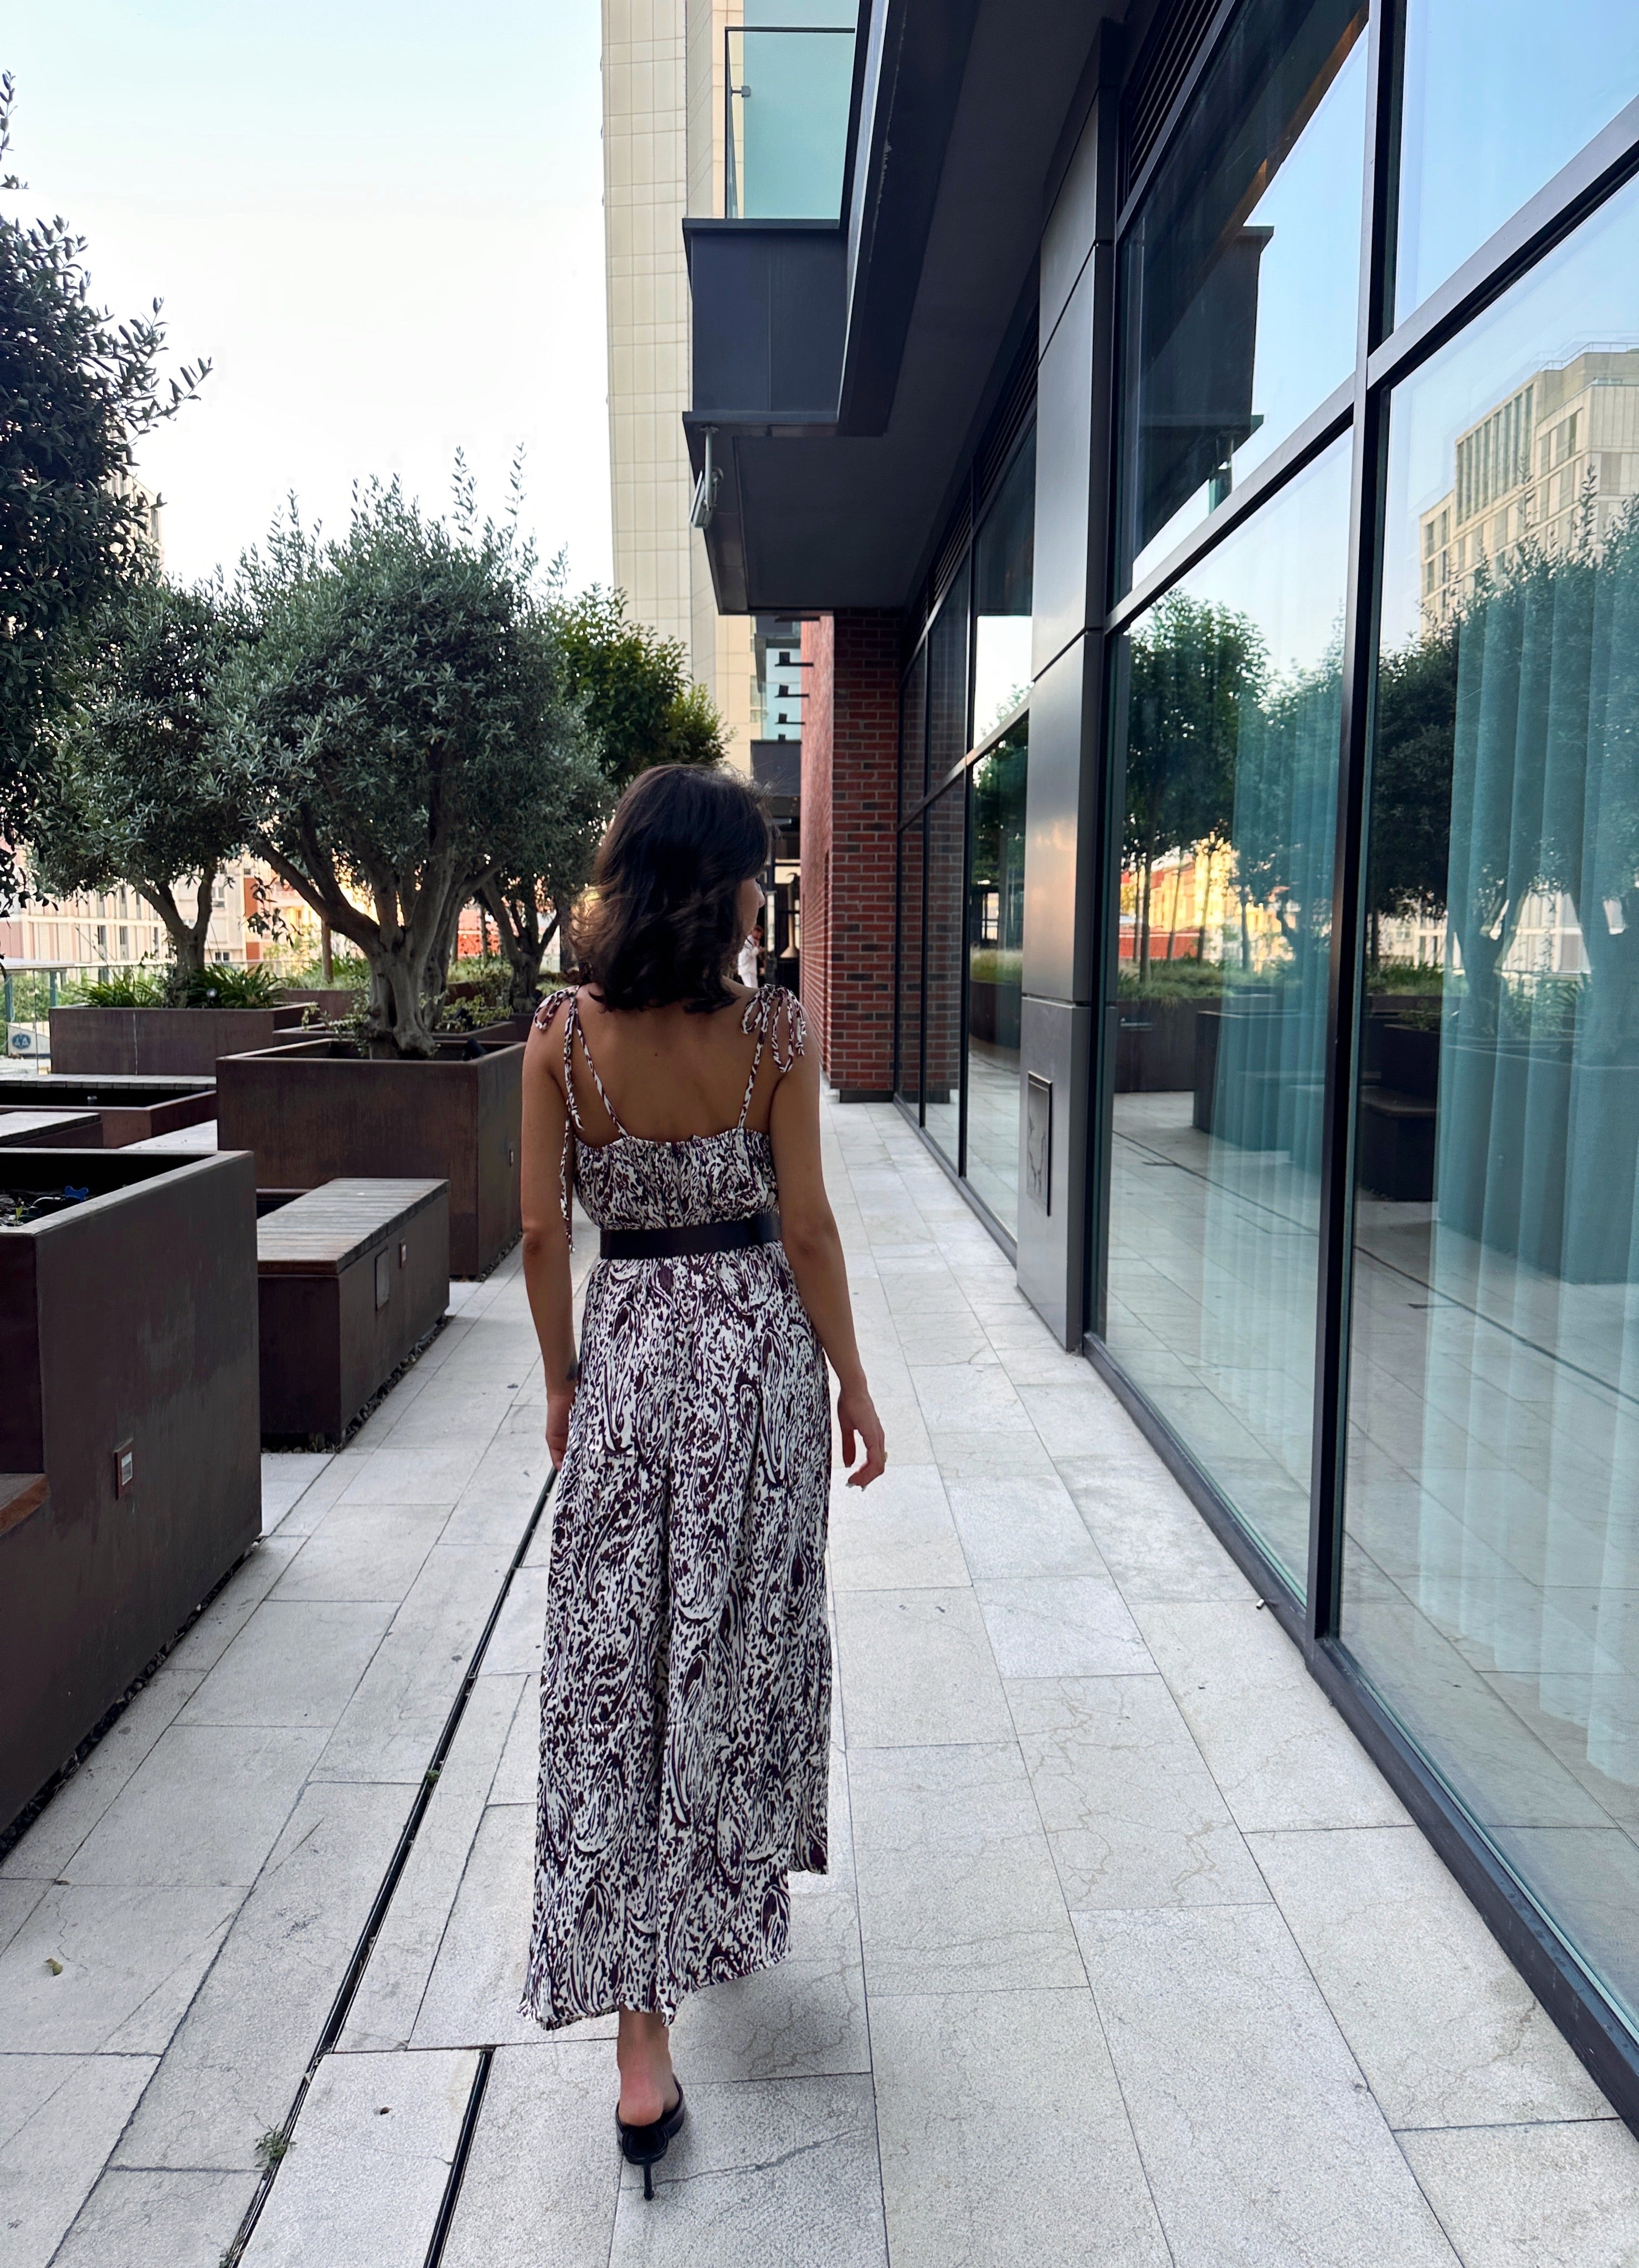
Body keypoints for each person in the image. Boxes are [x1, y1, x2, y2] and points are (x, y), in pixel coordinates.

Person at [517, 763, 887, 2197]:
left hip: (626, 1369)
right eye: (755, 871)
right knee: (734, 1653)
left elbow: (540, 1236)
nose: (759, 894)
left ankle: (642, 2045)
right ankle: (720, 1901)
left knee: (616, 1680)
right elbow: (809, 1230)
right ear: (722, 885)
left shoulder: (563, 1040)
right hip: (754, 1378)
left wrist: (564, 1379)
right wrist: (853, 1381)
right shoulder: (773, 1033)